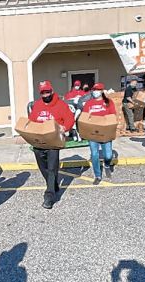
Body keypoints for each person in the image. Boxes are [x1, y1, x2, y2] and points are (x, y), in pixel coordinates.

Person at [28, 81, 74, 209]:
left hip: (53, 142)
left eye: (47, 92)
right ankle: (53, 184)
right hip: (40, 142)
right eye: (43, 92)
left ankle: (49, 196)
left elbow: (70, 118)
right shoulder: (37, 105)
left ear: (52, 91)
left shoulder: (61, 105)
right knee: (43, 167)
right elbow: (32, 120)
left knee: (52, 168)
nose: (45, 94)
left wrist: (65, 127)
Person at [82, 83, 116, 185]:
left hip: (105, 132)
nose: (95, 91)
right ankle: (97, 175)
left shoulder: (108, 102)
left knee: (108, 155)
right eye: (94, 89)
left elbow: (112, 115)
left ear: (102, 91)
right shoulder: (89, 103)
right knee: (94, 154)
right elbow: (85, 117)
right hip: (92, 132)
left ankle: (106, 165)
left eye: (98, 89)